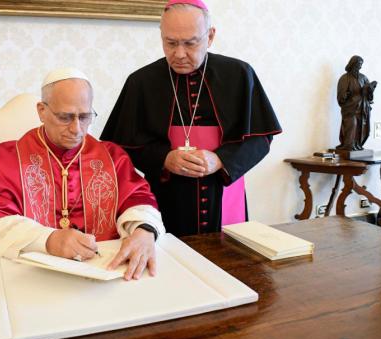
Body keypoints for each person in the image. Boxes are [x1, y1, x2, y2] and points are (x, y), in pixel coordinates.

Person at [100, 0, 281, 236]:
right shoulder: (142, 82)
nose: (179, 54)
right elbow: (120, 146)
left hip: (224, 193)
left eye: (190, 43)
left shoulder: (239, 75)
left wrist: (220, 160)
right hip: (166, 196)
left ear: (210, 36)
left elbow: (261, 138)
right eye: (170, 43)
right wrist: (164, 159)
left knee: (227, 262)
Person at [0, 68, 165, 280]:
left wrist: (144, 231)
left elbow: (137, 198)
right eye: (65, 117)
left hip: (102, 272)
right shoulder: (7, 158)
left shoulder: (112, 156)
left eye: (85, 117)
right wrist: (49, 239)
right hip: (31, 276)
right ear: (42, 111)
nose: (77, 129)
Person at [336, 55, 377, 151]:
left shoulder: (363, 78)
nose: (360, 67)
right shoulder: (345, 78)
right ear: (352, 64)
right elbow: (341, 96)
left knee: (362, 129)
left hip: (363, 108)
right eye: (358, 64)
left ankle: (357, 145)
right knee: (352, 125)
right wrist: (346, 95)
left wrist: (370, 89)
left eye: (361, 65)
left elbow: (369, 94)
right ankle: (349, 145)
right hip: (350, 108)